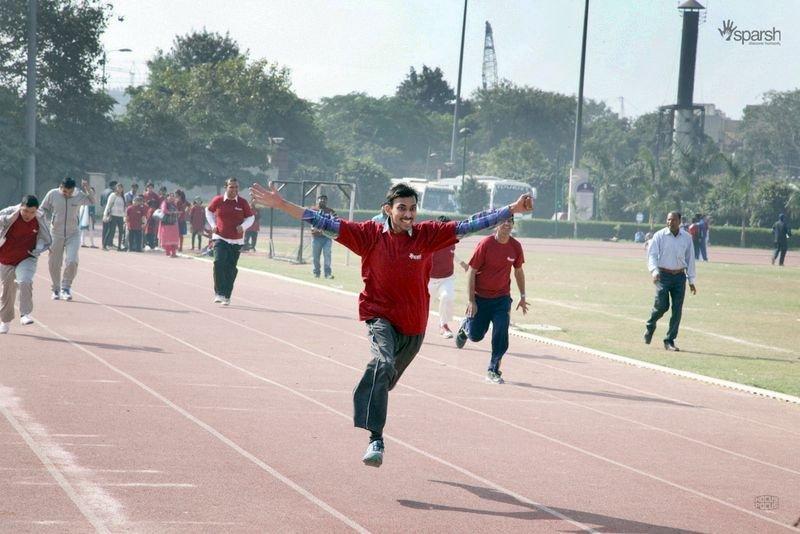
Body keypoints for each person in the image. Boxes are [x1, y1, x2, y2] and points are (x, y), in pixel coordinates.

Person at [250, 181, 533, 468]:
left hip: (413, 325)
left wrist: (512, 209)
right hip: (379, 316)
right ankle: (376, 439)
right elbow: (323, 222)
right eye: (402, 208)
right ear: (388, 209)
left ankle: (376, 392)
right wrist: (283, 204)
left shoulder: (427, 235)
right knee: (382, 364)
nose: (408, 214)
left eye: (412, 208)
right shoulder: (368, 235)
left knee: (386, 379)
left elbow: (471, 224)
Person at [454, 215, 529, 384]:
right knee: (476, 336)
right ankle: (466, 327)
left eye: (510, 222)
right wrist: (471, 300)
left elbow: (518, 271)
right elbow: (471, 271)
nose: (507, 224)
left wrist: (523, 296)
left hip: (502, 300)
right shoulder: (485, 244)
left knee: (501, 333)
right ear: (496, 225)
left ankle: (493, 370)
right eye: (504, 221)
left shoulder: (515, 247)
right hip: (480, 299)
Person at [643, 211, 697, 351]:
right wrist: (654, 271)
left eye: (673, 220)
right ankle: (650, 325)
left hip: (679, 277)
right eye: (668, 220)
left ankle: (669, 340)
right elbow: (652, 255)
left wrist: (691, 280)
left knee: (677, 310)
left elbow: (690, 259)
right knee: (662, 305)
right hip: (663, 275)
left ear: (679, 221)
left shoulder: (686, 238)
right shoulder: (659, 236)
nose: (670, 222)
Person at [0, 195, 52, 334]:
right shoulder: (10, 212)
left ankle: (25, 314)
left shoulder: (40, 218)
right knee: (7, 291)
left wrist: (41, 248)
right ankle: (5, 321)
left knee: (25, 281)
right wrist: (8, 219)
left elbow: (47, 237)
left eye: (32, 212)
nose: (28, 215)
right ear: (20, 207)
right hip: (6, 257)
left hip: (27, 256)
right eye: (25, 211)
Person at [40, 177, 96, 301]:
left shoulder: (79, 195)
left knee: (72, 261)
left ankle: (66, 287)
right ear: (61, 187)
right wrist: (43, 224)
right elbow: (42, 209)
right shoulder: (52, 194)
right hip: (55, 233)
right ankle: (55, 288)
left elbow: (92, 201)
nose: (67, 194)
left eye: (70, 192)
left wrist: (87, 189)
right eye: (65, 192)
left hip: (73, 234)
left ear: (74, 190)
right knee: (54, 263)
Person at [206, 178, 254, 305]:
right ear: (226, 187)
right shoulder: (218, 200)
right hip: (220, 238)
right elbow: (208, 211)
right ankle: (219, 293)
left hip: (236, 241)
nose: (234, 190)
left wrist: (243, 227)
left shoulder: (242, 203)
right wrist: (212, 225)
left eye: (236, 187)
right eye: (231, 187)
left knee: (231, 268)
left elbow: (251, 217)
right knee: (218, 262)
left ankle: (227, 295)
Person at [428, 216, 468, 338]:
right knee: (423, 306)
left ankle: (443, 325)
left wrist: (462, 263)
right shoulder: (430, 240)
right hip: (429, 279)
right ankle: (415, 329)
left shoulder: (452, 239)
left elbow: (451, 253)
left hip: (447, 278)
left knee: (447, 297)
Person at [311, 194, 337, 278]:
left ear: (327, 201)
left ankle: (327, 273)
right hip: (316, 237)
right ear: (318, 200)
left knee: (327, 255)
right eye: (321, 199)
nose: (322, 200)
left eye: (324, 199)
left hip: (327, 238)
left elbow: (336, 221)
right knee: (315, 256)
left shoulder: (331, 211)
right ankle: (316, 272)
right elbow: (310, 221)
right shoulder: (313, 210)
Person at [102, 182, 126, 251]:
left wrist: (124, 216)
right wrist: (105, 214)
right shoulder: (113, 195)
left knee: (121, 231)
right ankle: (104, 245)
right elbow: (108, 205)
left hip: (120, 216)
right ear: (116, 188)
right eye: (118, 187)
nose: (120, 189)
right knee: (111, 231)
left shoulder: (122, 197)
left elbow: (124, 207)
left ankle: (119, 247)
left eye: (121, 188)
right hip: (113, 215)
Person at [158, 192, 181, 257]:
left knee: (174, 239)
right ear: (167, 197)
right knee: (167, 238)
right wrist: (172, 213)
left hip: (174, 223)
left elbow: (176, 211)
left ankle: (173, 253)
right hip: (166, 224)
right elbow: (164, 210)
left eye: (173, 196)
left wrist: (177, 213)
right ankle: (168, 252)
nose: (171, 197)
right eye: (170, 196)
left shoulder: (174, 204)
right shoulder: (164, 203)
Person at [99, 180, 117, 249]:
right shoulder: (112, 193)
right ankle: (109, 243)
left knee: (105, 228)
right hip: (110, 211)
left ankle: (104, 242)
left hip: (104, 210)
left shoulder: (103, 191)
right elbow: (112, 203)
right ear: (114, 185)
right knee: (110, 228)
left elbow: (100, 203)